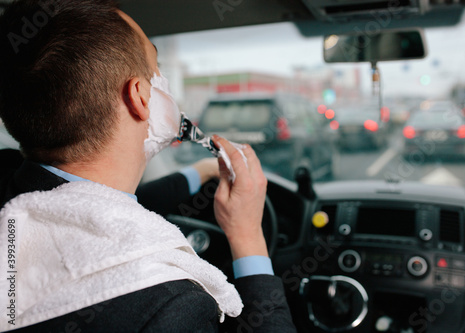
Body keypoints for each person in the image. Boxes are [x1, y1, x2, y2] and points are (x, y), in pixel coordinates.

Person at [0, 0, 296, 332]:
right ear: (140, 96)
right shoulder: (170, 305)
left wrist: (201, 171)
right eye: (157, 69)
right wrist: (247, 235)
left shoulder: (11, 188)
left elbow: (104, 210)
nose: (163, 82)